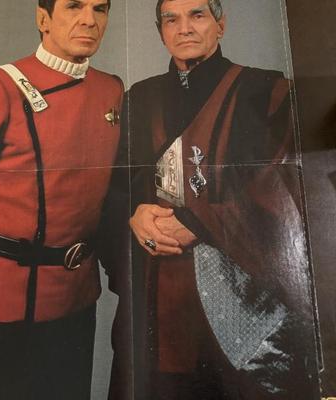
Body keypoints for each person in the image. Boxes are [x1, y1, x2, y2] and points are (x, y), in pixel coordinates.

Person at [106, 0, 320, 399]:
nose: (184, 28)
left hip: (240, 298)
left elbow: (289, 190)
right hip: (158, 292)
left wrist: (200, 221)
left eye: (197, 15)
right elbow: (117, 188)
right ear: (161, 32)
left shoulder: (267, 90)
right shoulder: (140, 98)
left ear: (220, 25)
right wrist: (133, 216)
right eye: (171, 19)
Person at [0, 1, 123, 399]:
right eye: (74, 6)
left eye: (100, 9)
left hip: (75, 295)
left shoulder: (111, 90)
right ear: (43, 18)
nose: (89, 20)